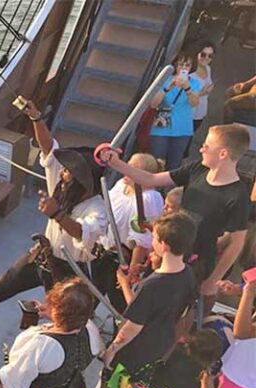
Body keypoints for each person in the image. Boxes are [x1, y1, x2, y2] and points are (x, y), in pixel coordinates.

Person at [0, 100, 107, 328]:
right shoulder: (63, 187)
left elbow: (84, 233)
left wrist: (58, 214)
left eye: (70, 173)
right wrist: (36, 118)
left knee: (62, 316)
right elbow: (49, 149)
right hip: (43, 254)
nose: (64, 174)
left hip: (69, 271)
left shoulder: (97, 209)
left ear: (83, 183)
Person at [71, 213, 199, 388]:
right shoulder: (188, 275)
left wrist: (111, 351)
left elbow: (132, 326)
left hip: (134, 348)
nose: (152, 242)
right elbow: (179, 312)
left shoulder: (152, 286)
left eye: (156, 238)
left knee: (109, 384)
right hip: (159, 344)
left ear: (165, 246)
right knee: (136, 385)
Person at [101, 124, 251, 313]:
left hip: (195, 263)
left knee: (171, 312)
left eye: (207, 145)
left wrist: (213, 279)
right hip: (168, 252)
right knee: (144, 301)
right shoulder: (198, 169)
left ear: (223, 153)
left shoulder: (237, 195)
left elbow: (237, 242)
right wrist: (117, 164)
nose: (200, 149)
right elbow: (152, 179)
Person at [91, 154, 164, 311]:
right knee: (88, 298)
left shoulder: (150, 199)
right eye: (128, 165)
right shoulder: (120, 185)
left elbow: (142, 239)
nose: (127, 170)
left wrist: (131, 271)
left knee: (121, 308)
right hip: (102, 252)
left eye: (133, 169)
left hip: (122, 260)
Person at [148, 52, 201, 171]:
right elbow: (153, 104)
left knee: (174, 165)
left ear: (191, 67)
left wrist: (187, 88)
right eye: (180, 65)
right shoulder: (164, 80)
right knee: (156, 163)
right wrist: (167, 88)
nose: (183, 68)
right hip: (161, 127)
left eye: (187, 65)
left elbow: (195, 103)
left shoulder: (194, 83)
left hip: (182, 129)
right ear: (175, 65)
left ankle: (166, 189)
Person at [179, 312, 235, 388]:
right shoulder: (210, 322)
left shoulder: (226, 355)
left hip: (233, 352)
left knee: (207, 378)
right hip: (225, 324)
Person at [190, 41, 216, 134]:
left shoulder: (208, 68)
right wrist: (202, 93)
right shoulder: (190, 72)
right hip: (188, 114)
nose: (206, 58)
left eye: (210, 56)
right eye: (203, 54)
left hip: (200, 113)